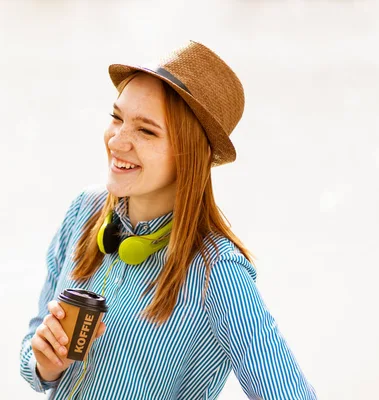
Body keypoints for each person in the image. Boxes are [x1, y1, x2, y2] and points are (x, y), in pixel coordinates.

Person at [19, 40, 317, 399]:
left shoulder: (217, 271)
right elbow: (33, 353)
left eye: (146, 130)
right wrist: (44, 363)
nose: (117, 142)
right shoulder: (84, 211)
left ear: (189, 153)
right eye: (117, 118)